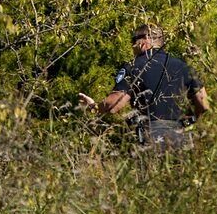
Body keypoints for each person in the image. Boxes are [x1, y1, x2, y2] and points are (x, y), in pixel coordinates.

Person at [78, 24, 209, 150]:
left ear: (146, 39)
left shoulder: (133, 66)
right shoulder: (183, 66)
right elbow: (203, 104)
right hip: (180, 137)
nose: (132, 45)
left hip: (150, 136)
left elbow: (114, 105)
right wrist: (190, 118)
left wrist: (93, 107)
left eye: (134, 40)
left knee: (151, 171)